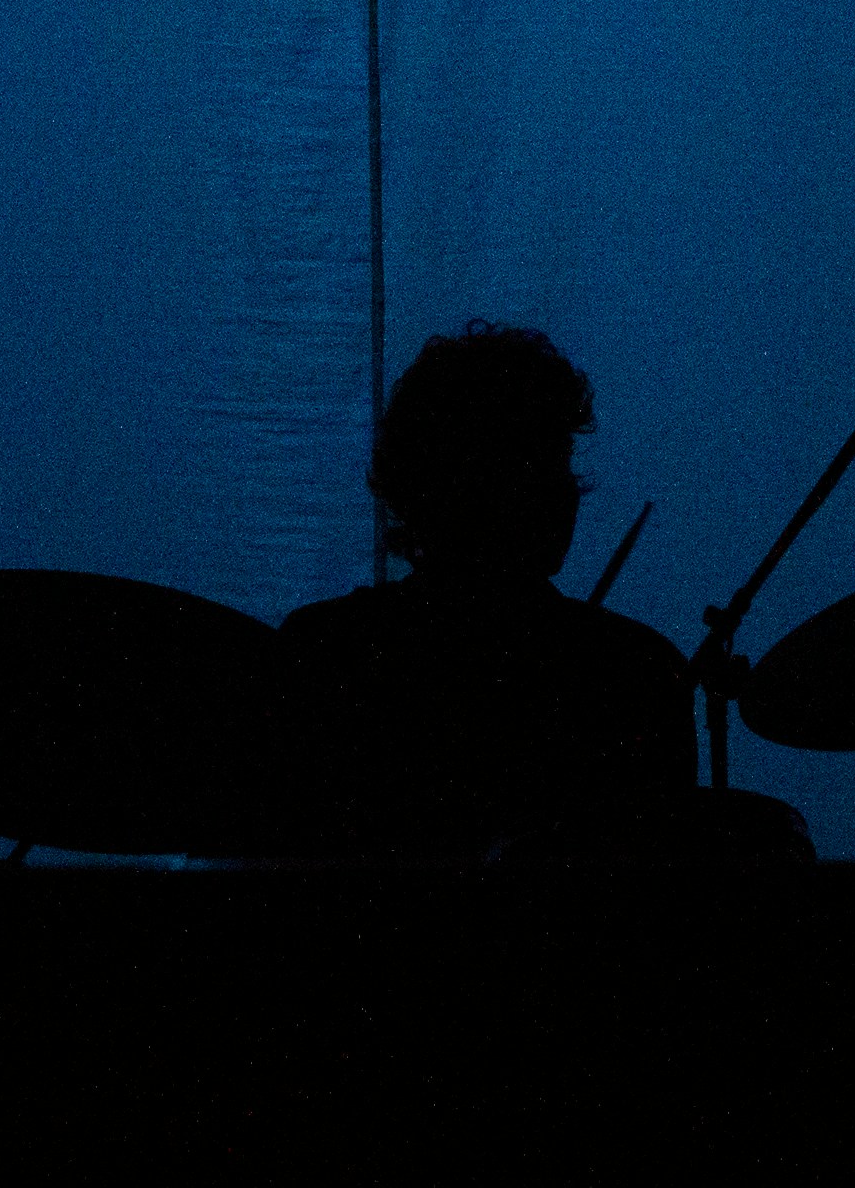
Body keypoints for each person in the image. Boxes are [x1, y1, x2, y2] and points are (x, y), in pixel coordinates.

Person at [272, 324, 699, 861]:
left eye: (559, 460)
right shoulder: (634, 672)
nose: (566, 492)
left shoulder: (323, 652)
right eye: (536, 465)